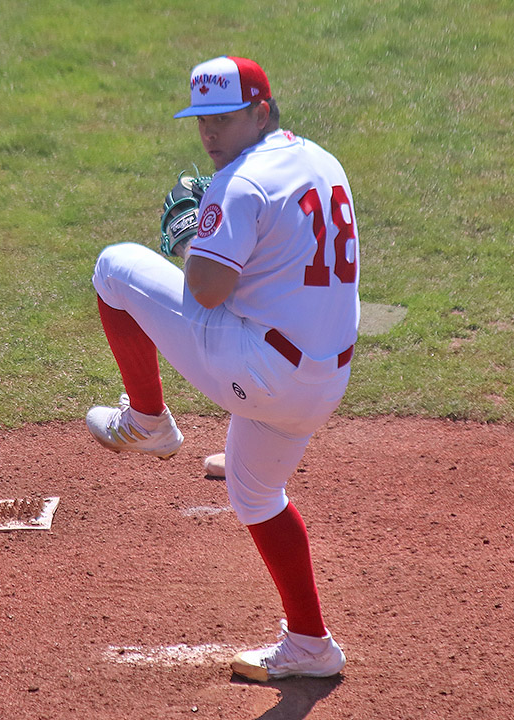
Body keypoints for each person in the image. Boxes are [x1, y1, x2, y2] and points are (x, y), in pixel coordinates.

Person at [85, 55, 359, 681]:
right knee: (254, 489)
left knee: (113, 267)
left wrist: (183, 233)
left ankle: (149, 421)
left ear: (261, 111)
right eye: (201, 119)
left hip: (263, 371)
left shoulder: (243, 182)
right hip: (322, 381)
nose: (210, 133)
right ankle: (311, 646)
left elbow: (206, 289)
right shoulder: (321, 160)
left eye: (224, 118)